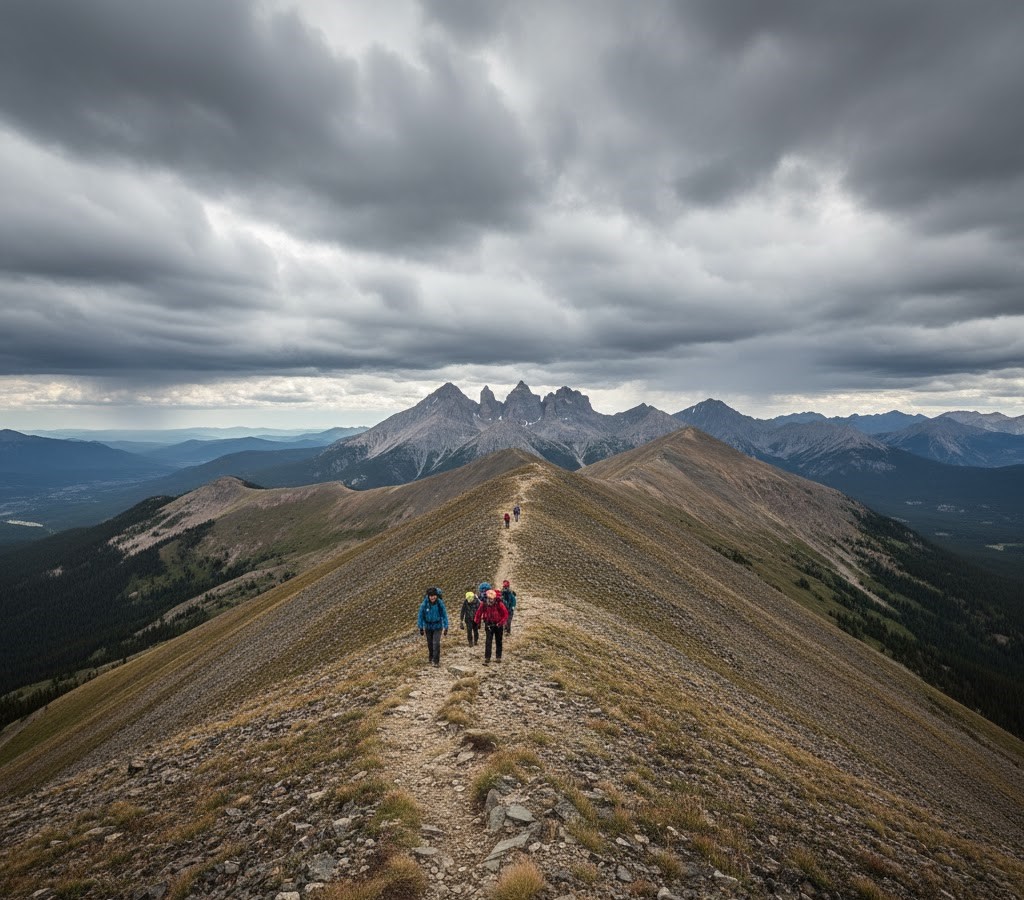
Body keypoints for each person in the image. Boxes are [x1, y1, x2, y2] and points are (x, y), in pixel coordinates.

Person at [474, 588, 509, 665]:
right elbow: (478, 613)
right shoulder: (484, 604)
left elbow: (505, 614)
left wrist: (500, 623)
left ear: (495, 598)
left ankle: (498, 657)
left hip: (498, 625)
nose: (490, 600)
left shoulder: (499, 604)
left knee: (498, 641)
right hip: (489, 624)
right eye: (489, 598)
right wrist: (477, 622)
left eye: (492, 599)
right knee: (488, 641)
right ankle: (487, 658)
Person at [417, 587, 449, 667]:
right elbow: (420, 616)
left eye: (434, 595)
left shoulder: (440, 603)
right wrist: (421, 627)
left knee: (436, 643)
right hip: (428, 627)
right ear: (428, 596)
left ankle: (436, 661)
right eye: (431, 596)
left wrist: (446, 627)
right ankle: (431, 657)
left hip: (438, 626)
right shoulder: (424, 604)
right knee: (430, 644)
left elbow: (444, 615)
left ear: (436, 595)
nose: (432, 597)